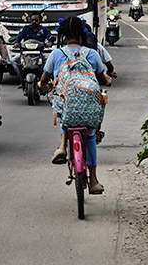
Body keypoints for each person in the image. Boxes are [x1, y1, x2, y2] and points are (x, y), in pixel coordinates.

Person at [43, 17, 114, 194]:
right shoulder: (92, 54)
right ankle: (94, 180)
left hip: (66, 104)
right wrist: (108, 80)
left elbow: (45, 78)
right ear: (82, 34)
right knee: (90, 136)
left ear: (64, 35)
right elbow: (103, 76)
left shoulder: (56, 54)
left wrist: (41, 84)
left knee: (63, 109)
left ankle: (62, 146)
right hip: (88, 104)